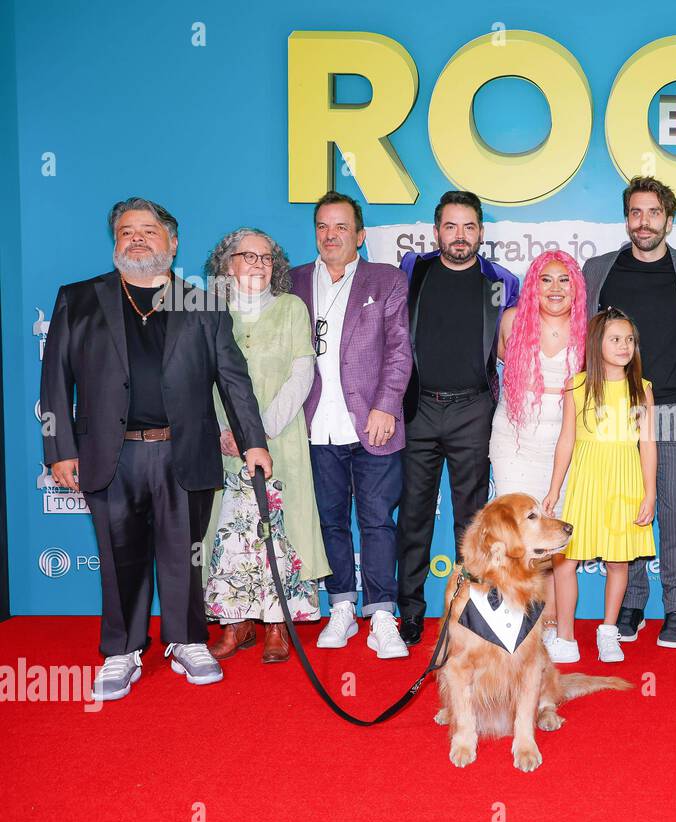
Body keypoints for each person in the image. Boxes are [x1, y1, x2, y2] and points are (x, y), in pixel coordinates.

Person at [40, 197, 270, 700]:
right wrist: (58, 448)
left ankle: (188, 640)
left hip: (182, 453)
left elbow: (235, 381)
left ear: (173, 242)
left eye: (149, 230)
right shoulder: (78, 299)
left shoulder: (204, 304)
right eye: (127, 231)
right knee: (119, 554)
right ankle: (122, 651)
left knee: (184, 554)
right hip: (109, 454)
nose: (137, 238)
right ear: (116, 242)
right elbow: (54, 378)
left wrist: (253, 442)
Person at [581, 177, 676, 649]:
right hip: (618, 409)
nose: (644, 222)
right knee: (627, 511)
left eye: (654, 213)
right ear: (627, 218)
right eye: (636, 213)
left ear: (669, 221)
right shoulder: (598, 268)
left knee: (675, 510)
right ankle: (633, 603)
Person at [290, 191, 412, 659]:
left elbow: (400, 349)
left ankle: (381, 613)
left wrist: (385, 405)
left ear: (359, 235)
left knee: (378, 521)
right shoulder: (295, 282)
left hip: (373, 423)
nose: (331, 235)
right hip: (314, 426)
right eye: (323, 227)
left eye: (341, 227)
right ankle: (341, 605)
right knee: (330, 521)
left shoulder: (386, 280)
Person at [202, 227, 330, 664]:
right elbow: (196, 378)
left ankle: (278, 624)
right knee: (229, 532)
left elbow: (302, 375)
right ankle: (234, 623)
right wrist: (224, 431)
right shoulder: (209, 310)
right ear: (227, 263)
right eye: (248, 255)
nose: (258, 263)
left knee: (280, 532)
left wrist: (259, 432)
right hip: (221, 441)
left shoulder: (292, 308)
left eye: (266, 257)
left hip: (280, 439)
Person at [397, 190, 520, 645]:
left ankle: (471, 613)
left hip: (474, 409)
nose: (460, 236)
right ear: (436, 232)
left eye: (469, 227)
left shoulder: (502, 281)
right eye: (451, 226)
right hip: (419, 408)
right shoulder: (415, 271)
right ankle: (409, 612)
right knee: (413, 516)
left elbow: (516, 345)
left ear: (482, 233)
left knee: (472, 521)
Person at [543, 308, 657, 663]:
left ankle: (608, 631)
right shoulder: (577, 387)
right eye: (615, 339)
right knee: (565, 561)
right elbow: (566, 441)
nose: (624, 346)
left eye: (629, 340)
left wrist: (649, 492)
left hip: (625, 482)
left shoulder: (643, 390)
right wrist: (553, 489)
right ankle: (564, 636)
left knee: (618, 561)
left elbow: (648, 444)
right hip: (585, 482)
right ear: (597, 343)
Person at [489, 250, 586, 640]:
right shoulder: (512, 321)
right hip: (512, 438)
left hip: (562, 444)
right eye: (546, 279)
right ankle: (514, 624)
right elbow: (499, 357)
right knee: (517, 537)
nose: (555, 288)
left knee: (553, 538)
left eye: (564, 279)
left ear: (576, 287)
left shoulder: (587, 330)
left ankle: (552, 626)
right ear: (533, 286)